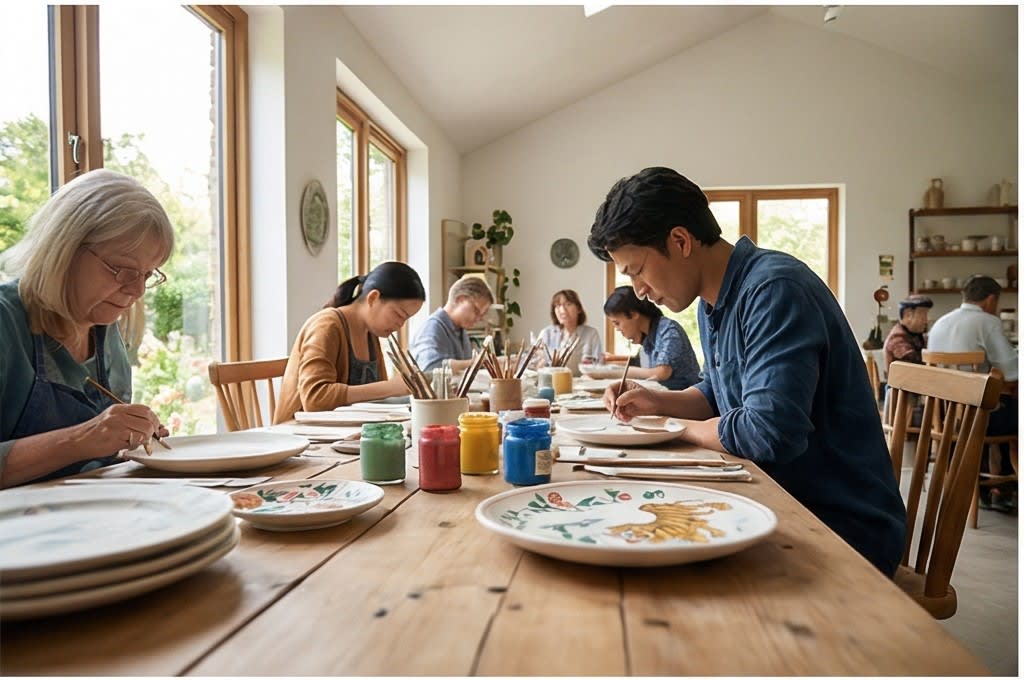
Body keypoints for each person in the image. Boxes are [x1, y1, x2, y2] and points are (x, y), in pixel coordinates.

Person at [587, 166, 907, 576]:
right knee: (627, 526)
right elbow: (717, 394)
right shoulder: (711, 303)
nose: (639, 290)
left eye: (636, 271)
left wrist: (671, 429)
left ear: (680, 241)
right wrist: (657, 402)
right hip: (782, 496)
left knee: (645, 564)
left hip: (842, 524)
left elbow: (768, 432)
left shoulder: (774, 289)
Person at [0, 169, 174, 488]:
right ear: (64, 249)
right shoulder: (5, 322)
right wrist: (82, 439)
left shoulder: (106, 328)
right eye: (122, 270)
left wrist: (131, 434)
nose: (137, 291)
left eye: (148, 275)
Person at [274, 261, 426, 422]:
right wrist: (391, 387)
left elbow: (377, 400)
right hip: (300, 432)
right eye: (399, 315)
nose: (400, 325)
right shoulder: (327, 325)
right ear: (373, 298)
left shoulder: (370, 334)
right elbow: (315, 399)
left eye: (406, 319)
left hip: (346, 432)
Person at [927, 274, 1018, 511]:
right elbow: (1012, 371)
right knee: (1008, 410)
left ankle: (989, 487)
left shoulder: (940, 323)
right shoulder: (988, 322)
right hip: (977, 418)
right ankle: (1003, 487)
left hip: (945, 417)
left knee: (992, 404)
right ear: (991, 300)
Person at [603, 285, 700, 390]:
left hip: (686, 397)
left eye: (617, 323)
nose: (617, 329)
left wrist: (614, 372)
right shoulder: (647, 336)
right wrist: (612, 361)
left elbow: (661, 372)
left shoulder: (668, 330)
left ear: (634, 314)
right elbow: (639, 365)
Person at [411, 275, 493, 373]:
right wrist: (481, 363)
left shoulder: (461, 332)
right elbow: (430, 368)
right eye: (476, 311)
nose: (479, 319)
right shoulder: (432, 328)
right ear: (460, 300)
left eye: (482, 315)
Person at [536, 289, 603, 371]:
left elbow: (598, 365)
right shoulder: (546, 333)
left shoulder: (591, 334)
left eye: (568, 304)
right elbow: (535, 363)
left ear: (579, 308)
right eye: (558, 306)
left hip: (582, 378)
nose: (562, 310)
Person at [882, 294, 933, 374]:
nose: (926, 321)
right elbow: (917, 367)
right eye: (923, 315)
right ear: (909, 315)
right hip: (905, 381)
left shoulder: (915, 334)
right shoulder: (897, 339)